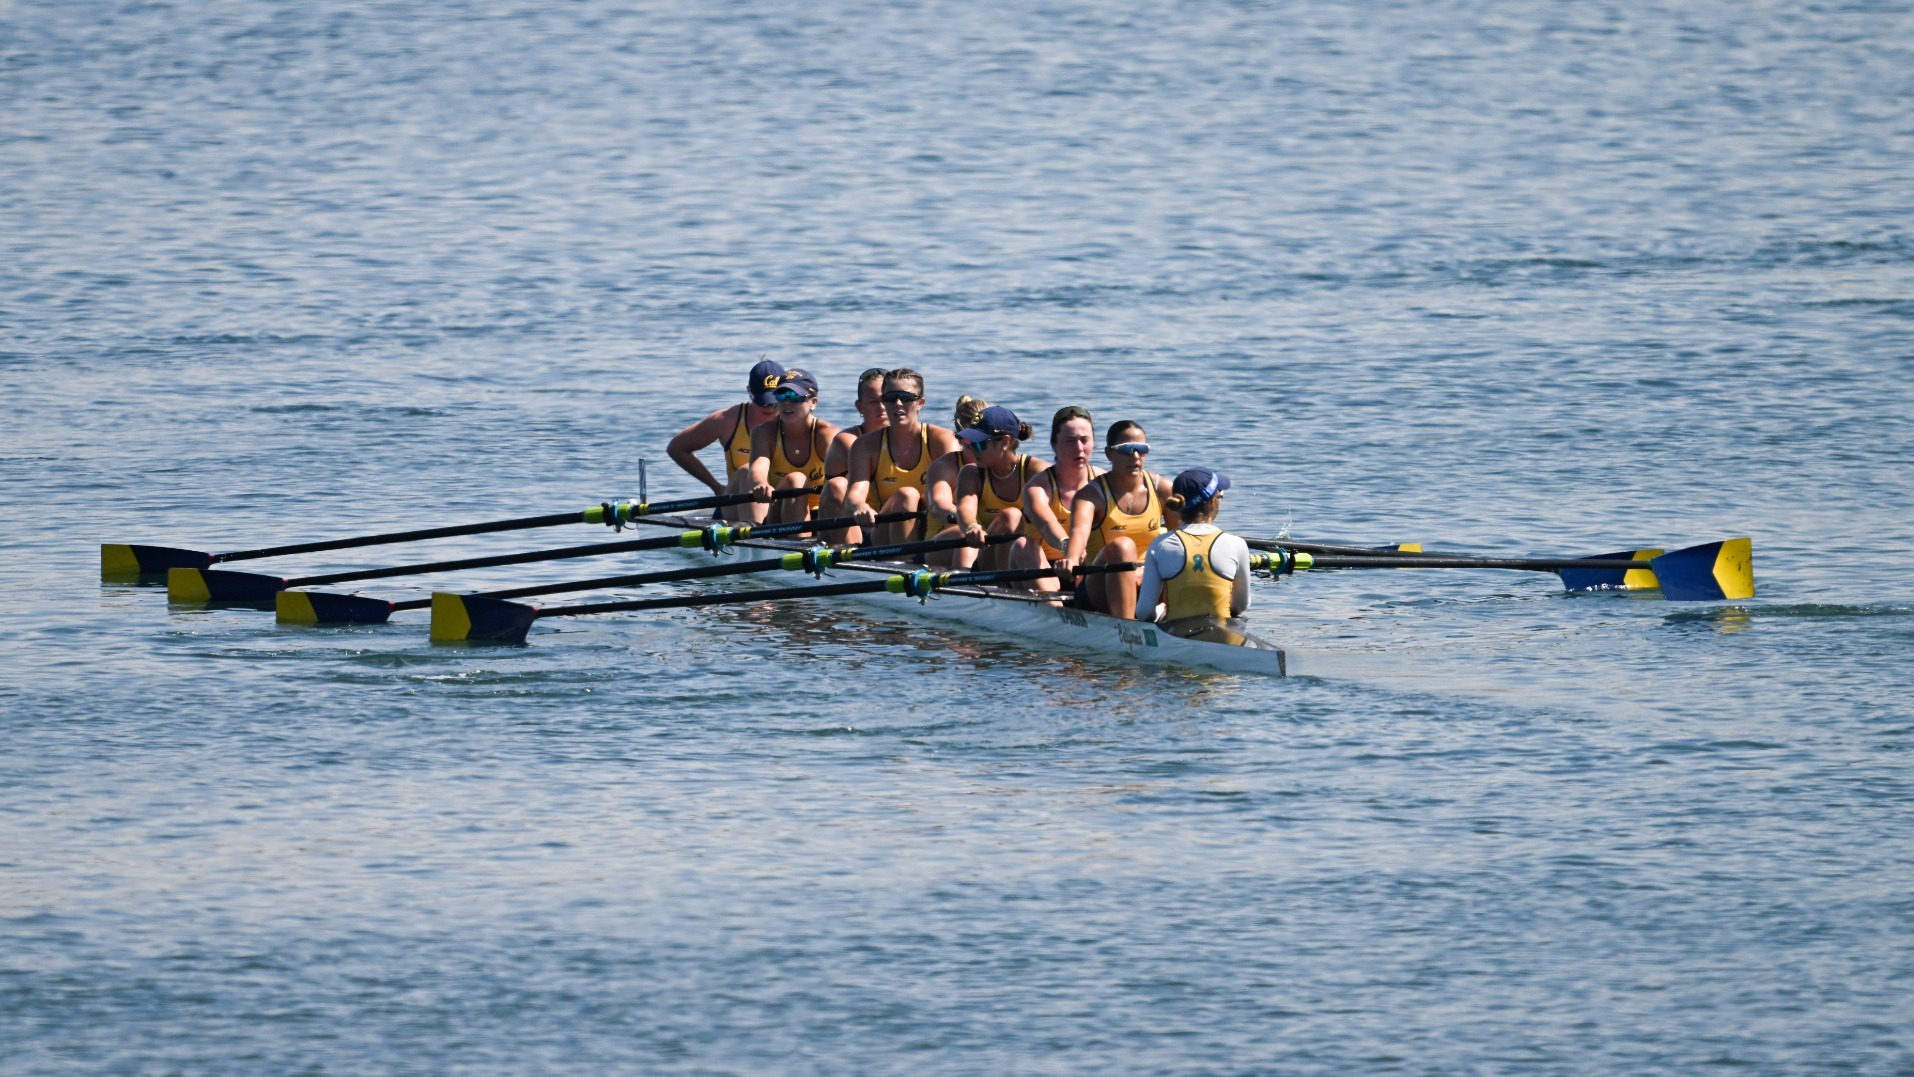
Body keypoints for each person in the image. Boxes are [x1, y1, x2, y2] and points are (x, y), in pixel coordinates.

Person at [1055, 420, 1178, 619]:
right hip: (1099, 586)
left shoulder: (1163, 489)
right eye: (1127, 449)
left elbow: (1182, 541)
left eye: (1141, 449)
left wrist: (1147, 572)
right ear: (1109, 453)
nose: (1135, 456)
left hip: (1150, 581)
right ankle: (1127, 628)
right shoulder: (1090, 496)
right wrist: (1070, 559)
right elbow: (1079, 533)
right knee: (1122, 546)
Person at [1135, 468, 1254, 644]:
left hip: (1176, 640)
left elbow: (1144, 613)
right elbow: (1240, 606)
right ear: (1213, 503)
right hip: (1224, 641)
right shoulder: (1236, 544)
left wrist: (1162, 609)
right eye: (1220, 495)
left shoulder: (1160, 545)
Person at [845, 368, 959, 546]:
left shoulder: (942, 440)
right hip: (884, 534)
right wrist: (860, 507)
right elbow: (854, 496)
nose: (898, 404)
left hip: (936, 530)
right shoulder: (865, 445)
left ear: (920, 403)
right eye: (890, 398)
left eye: (906, 398)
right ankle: (906, 563)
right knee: (907, 495)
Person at [943, 406, 1046, 571]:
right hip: (987, 561)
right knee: (1010, 516)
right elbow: (965, 508)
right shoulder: (971, 474)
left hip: (1033, 558)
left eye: (979, 443)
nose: (972, 449)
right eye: (970, 443)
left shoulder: (1037, 472)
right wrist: (972, 527)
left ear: (1005, 442)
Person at [1009, 405, 1101, 590]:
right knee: (1022, 545)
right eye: (1070, 441)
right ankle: (1054, 610)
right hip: (1043, 569)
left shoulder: (1103, 483)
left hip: (1086, 571)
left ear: (1093, 443)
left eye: (1084, 440)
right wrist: (1069, 547)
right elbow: (1046, 524)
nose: (1079, 448)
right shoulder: (1038, 488)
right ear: (1054, 444)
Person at [666, 358, 784, 497]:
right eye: (762, 402)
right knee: (747, 471)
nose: (769, 408)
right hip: (741, 503)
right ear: (749, 391)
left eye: (774, 403)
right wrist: (716, 487)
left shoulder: (796, 420)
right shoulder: (727, 420)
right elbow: (677, 449)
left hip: (781, 503)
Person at [738, 369, 840, 525]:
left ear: (813, 402)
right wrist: (760, 484)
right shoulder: (763, 433)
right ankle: (797, 542)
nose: (786, 402)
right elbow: (757, 469)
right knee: (795, 480)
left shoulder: (826, 435)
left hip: (823, 514)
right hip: (780, 516)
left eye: (794, 397)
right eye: (781, 395)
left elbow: (844, 480)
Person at [816, 367, 892, 542]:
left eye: (885, 400)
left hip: (888, 520)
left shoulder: (910, 440)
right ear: (859, 406)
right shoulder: (847, 440)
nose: (881, 407)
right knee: (838, 484)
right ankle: (846, 559)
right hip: (854, 522)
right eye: (873, 402)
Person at [917, 396, 991, 564]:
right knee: (963, 534)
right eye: (971, 442)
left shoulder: (1002, 466)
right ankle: (966, 587)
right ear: (959, 439)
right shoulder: (944, 467)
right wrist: (969, 523)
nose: (979, 449)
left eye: (985, 441)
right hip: (940, 546)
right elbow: (939, 505)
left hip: (987, 542)